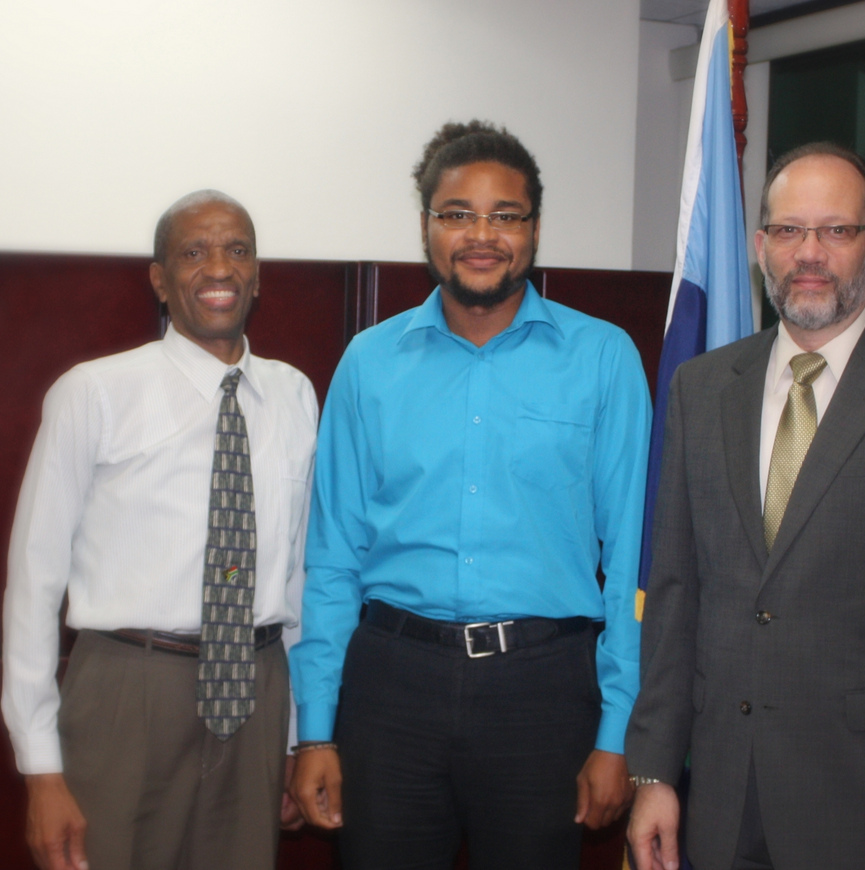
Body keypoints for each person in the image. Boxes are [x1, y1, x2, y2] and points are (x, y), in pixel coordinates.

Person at [625, 142, 865, 870]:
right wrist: (653, 773)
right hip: (720, 798)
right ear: (760, 248)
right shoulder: (700, 389)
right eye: (788, 230)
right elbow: (677, 592)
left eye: (836, 230)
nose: (809, 253)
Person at [288, 120, 652, 869]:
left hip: (544, 691)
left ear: (535, 230)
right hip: (391, 686)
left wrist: (617, 733)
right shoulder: (368, 362)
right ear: (426, 227)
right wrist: (316, 728)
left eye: (504, 215)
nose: (481, 235)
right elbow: (331, 560)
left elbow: (633, 566)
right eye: (457, 214)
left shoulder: (603, 358)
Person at [2, 190, 318, 870]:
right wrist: (40, 766)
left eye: (237, 250)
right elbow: (33, 580)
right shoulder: (93, 392)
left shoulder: (294, 394)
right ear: (160, 278)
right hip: (128, 691)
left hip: (259, 689)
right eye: (193, 252)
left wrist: (297, 736)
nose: (219, 268)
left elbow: (296, 571)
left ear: (257, 276)